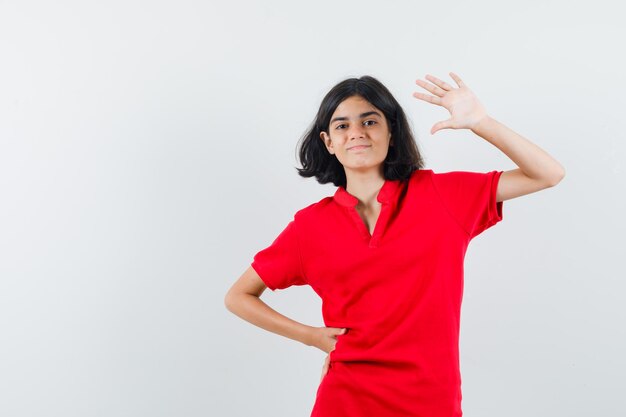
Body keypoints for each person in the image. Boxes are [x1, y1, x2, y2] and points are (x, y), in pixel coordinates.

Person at [224, 72, 565, 417]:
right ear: (328, 142)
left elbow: (547, 174)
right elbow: (238, 296)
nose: (356, 132)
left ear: (391, 131)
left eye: (369, 121)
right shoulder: (309, 226)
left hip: (431, 401)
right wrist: (310, 336)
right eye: (342, 126)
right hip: (344, 399)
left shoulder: (442, 197)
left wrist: (482, 123)